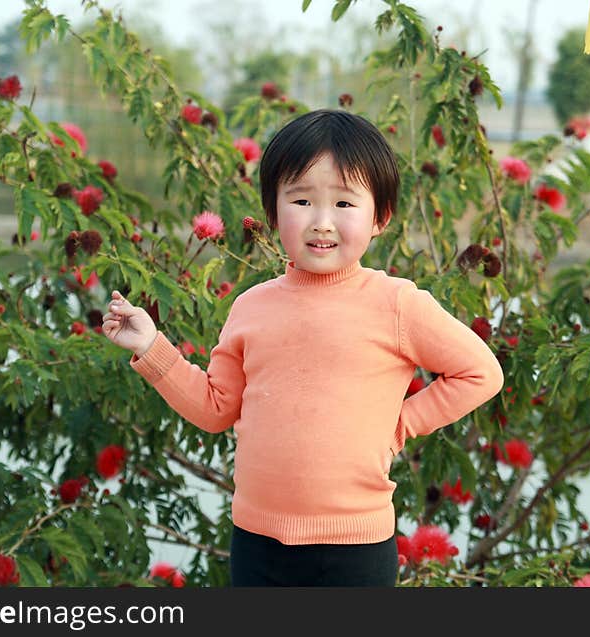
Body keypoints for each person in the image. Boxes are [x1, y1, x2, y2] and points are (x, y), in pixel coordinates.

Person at [102, 109, 504, 587]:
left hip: (357, 546)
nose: (321, 222)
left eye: (344, 204)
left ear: (382, 217)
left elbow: (481, 373)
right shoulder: (251, 307)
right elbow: (215, 409)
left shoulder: (398, 304)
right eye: (301, 200)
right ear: (273, 213)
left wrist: (400, 426)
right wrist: (151, 347)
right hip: (256, 542)